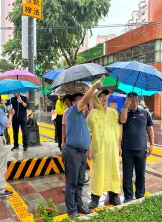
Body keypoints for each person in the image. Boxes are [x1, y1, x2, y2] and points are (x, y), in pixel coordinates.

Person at [63, 76, 104, 218]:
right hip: (72, 152)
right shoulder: (73, 111)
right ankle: (71, 209)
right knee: (72, 182)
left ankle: (79, 205)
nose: (84, 103)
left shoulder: (81, 116)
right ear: (74, 102)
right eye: (81, 100)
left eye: (84, 101)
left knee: (80, 182)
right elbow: (87, 99)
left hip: (80, 153)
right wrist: (94, 87)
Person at [86, 90, 122, 209]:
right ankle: (95, 199)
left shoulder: (114, 113)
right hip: (98, 149)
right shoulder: (93, 113)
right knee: (97, 173)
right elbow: (88, 133)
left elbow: (119, 131)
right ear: (96, 99)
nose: (103, 98)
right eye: (100, 96)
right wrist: (88, 149)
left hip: (112, 149)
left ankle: (113, 196)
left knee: (113, 171)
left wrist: (119, 146)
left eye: (105, 95)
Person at [120, 92, 154, 203]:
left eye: (136, 100)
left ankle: (140, 195)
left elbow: (150, 129)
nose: (134, 103)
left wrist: (152, 144)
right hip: (127, 150)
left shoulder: (145, 113)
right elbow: (122, 121)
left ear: (139, 101)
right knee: (127, 175)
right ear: (127, 101)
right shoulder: (124, 112)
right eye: (131, 100)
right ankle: (128, 197)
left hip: (141, 149)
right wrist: (126, 106)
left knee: (140, 175)